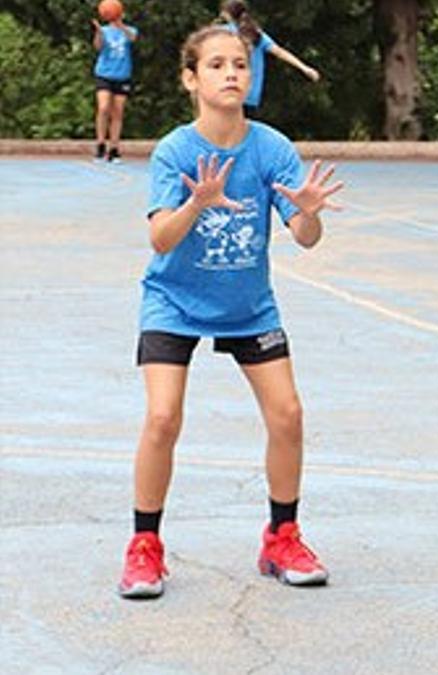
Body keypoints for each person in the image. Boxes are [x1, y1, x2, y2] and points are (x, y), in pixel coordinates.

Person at [118, 25, 344, 600]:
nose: (231, 73)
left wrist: (310, 212)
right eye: (216, 64)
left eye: (239, 63)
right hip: (174, 300)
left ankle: (282, 536)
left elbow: (305, 236)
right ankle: (144, 547)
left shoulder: (270, 148)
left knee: (288, 413)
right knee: (163, 418)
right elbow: (161, 240)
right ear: (191, 80)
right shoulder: (176, 152)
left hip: (247, 305)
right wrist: (198, 199)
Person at [218, 0, 320, 115]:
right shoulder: (256, 34)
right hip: (251, 94)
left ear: (226, 13)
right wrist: (304, 68)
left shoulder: (223, 32)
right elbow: (280, 52)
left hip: (228, 91)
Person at [91, 12, 139, 163]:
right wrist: (98, 32)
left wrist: (121, 26)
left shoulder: (130, 30)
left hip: (122, 75)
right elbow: (98, 47)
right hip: (104, 74)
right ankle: (100, 145)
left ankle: (114, 149)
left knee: (118, 112)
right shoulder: (104, 31)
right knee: (104, 107)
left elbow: (132, 38)